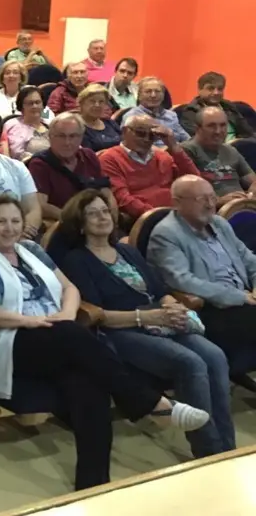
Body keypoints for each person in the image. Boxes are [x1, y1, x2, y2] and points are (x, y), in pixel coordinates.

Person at [0, 193, 209, 490]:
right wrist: (29, 321)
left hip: (59, 336)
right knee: (74, 336)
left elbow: (69, 289)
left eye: (15, 221)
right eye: (1, 221)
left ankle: (93, 486)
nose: (9, 228)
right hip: (16, 340)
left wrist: (64, 314)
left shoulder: (31, 250)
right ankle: (151, 403)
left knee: (90, 387)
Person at [59, 189, 234, 458]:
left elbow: (159, 288)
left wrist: (172, 306)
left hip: (161, 320)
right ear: (80, 224)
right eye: (92, 214)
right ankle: (209, 451)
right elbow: (98, 313)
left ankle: (228, 447)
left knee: (215, 355)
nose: (102, 217)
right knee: (191, 362)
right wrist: (146, 317)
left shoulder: (127, 250)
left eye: (105, 211)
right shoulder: (77, 260)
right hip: (120, 330)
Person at [149, 175, 256, 356]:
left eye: (212, 198)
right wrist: (239, 297)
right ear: (177, 202)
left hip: (246, 297)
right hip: (211, 309)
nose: (209, 204)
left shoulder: (219, 223)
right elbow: (182, 281)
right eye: (201, 199)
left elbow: (248, 259)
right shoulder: (166, 234)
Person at [98, 114, 199, 222]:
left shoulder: (162, 156)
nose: (146, 139)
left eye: (152, 135)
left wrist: (174, 146)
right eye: (140, 133)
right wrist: (160, 215)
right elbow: (123, 199)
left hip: (178, 214)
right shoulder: (110, 159)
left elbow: (194, 180)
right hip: (148, 219)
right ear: (124, 131)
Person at [28, 113, 113, 220]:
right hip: (65, 224)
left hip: (96, 219)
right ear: (50, 137)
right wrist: (76, 221)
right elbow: (42, 205)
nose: (67, 142)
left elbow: (106, 191)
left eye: (73, 136)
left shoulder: (89, 155)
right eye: (61, 136)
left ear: (81, 137)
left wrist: (111, 218)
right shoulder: (40, 164)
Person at [183, 107, 256, 205]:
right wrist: (218, 201)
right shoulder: (186, 150)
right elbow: (188, 194)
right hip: (211, 211)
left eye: (223, 125)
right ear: (197, 128)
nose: (218, 131)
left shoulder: (231, 150)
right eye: (211, 126)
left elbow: (252, 180)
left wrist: (252, 193)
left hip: (241, 207)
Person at [180, 72, 255, 141]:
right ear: (200, 90)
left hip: (239, 148)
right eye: (211, 88)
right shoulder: (191, 111)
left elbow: (247, 132)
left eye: (220, 89)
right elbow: (200, 141)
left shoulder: (228, 106)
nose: (216, 93)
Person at [123, 76, 190, 144]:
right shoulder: (132, 116)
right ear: (139, 95)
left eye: (157, 91)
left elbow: (187, 140)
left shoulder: (172, 116)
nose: (153, 95)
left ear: (163, 95)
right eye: (148, 91)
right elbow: (132, 144)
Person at [3, 87, 50, 160]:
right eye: (30, 103)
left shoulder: (50, 127)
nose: (34, 106)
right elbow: (6, 156)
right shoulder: (10, 125)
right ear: (21, 106)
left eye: (37, 102)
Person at [79, 84, 122, 153]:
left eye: (101, 102)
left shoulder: (110, 123)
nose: (97, 105)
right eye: (92, 101)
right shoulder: (77, 127)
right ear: (81, 103)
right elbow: (87, 157)